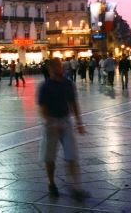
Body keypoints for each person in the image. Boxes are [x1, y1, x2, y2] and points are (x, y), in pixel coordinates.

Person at [38, 58, 89, 200]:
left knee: (71, 155)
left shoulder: (68, 84)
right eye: (56, 66)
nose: (59, 68)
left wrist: (79, 123)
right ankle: (51, 183)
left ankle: (76, 187)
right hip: (51, 123)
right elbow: (42, 108)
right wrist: (51, 122)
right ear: (50, 69)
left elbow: (73, 103)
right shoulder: (45, 86)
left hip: (65, 121)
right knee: (49, 157)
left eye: (60, 66)